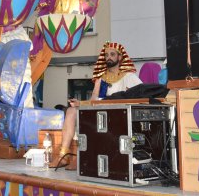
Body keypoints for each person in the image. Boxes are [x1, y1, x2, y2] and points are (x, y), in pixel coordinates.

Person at [50, 42, 141, 170]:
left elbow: (142, 93)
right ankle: (63, 155)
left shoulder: (129, 76)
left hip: (118, 116)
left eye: (112, 54)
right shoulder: (101, 78)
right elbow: (94, 100)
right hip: (99, 111)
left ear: (120, 57)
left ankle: (81, 157)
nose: (109, 57)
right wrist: (80, 103)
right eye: (106, 55)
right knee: (71, 111)